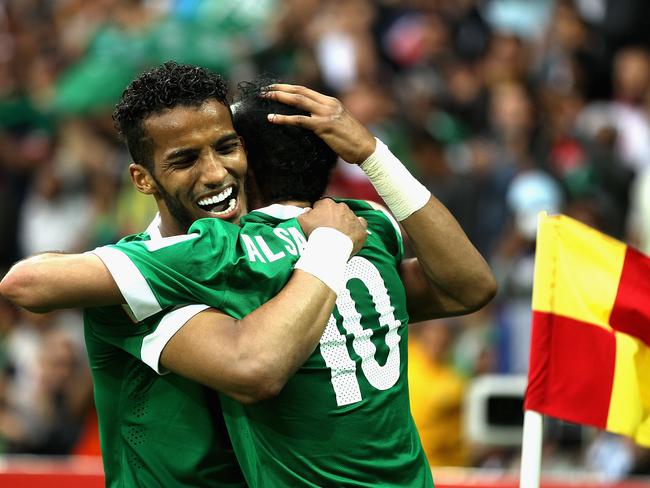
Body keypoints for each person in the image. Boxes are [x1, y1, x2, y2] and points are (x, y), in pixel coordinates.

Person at [1, 62, 369, 487]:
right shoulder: (139, 281)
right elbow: (23, 282)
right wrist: (326, 247)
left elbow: (457, 292)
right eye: (185, 160)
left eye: (226, 147)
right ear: (143, 180)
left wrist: (374, 156)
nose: (214, 173)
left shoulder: (283, 246)